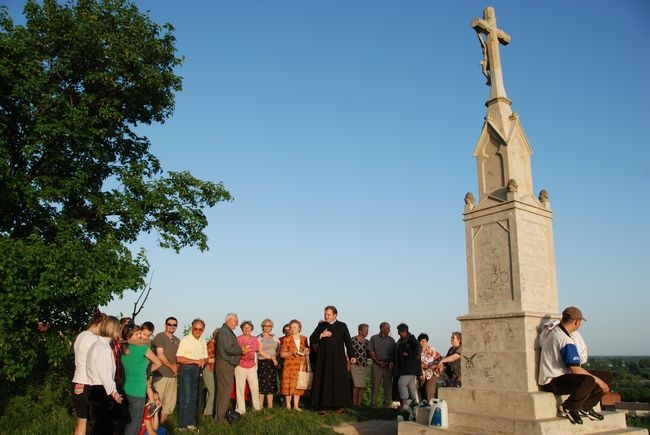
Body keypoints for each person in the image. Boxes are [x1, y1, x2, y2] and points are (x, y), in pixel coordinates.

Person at [538, 307, 612, 425]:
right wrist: (600, 382)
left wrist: (601, 380)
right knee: (589, 380)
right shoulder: (564, 339)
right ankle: (569, 407)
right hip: (552, 381)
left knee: (606, 376)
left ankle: (585, 406)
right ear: (577, 321)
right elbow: (575, 369)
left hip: (561, 377)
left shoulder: (558, 332)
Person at [309, 305, 357, 411]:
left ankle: (338, 406)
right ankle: (322, 406)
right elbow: (312, 338)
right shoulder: (321, 326)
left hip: (337, 359)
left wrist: (352, 355)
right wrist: (321, 335)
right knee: (323, 380)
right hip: (323, 359)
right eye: (325, 314)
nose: (326, 316)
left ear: (335, 315)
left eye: (328, 314)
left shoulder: (342, 326)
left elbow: (348, 342)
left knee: (337, 380)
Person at [121, 324, 162, 435]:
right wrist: (146, 373)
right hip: (138, 390)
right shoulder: (142, 348)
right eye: (137, 334)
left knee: (125, 422)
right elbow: (158, 363)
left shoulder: (122, 348)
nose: (140, 336)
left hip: (124, 387)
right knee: (134, 424)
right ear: (129, 336)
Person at [86, 316, 124, 434]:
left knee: (97, 428)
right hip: (102, 393)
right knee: (103, 428)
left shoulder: (97, 345)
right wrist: (115, 393)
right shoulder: (103, 348)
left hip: (95, 390)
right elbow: (105, 375)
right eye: (118, 328)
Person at [72, 309, 105, 435]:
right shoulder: (94, 339)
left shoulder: (81, 335)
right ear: (99, 324)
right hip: (88, 383)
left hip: (77, 381)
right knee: (86, 426)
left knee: (80, 422)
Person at [175, 318, 208, 431]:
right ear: (191, 328)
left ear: (203, 330)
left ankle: (190, 422)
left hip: (198, 371)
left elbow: (206, 357)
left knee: (194, 398)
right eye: (195, 328)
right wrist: (194, 361)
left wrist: (204, 361)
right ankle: (182, 425)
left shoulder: (203, 341)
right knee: (186, 398)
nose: (198, 331)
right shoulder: (185, 340)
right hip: (187, 370)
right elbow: (179, 358)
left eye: (200, 329)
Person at [152, 317, 180, 423]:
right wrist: (172, 366)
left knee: (169, 405)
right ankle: (151, 428)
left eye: (174, 325)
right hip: (161, 375)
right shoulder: (160, 337)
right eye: (170, 324)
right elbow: (160, 355)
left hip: (173, 376)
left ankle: (161, 426)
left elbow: (179, 357)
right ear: (165, 325)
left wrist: (177, 366)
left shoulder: (177, 340)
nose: (172, 326)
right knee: (156, 403)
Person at [214, 313, 241, 423]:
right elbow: (229, 348)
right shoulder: (225, 331)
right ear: (230, 320)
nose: (237, 323)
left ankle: (219, 416)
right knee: (225, 392)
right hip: (225, 364)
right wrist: (241, 349)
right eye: (236, 321)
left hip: (226, 364)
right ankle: (221, 418)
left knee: (223, 391)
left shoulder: (226, 331)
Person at [279, 319, 310, 411]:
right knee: (288, 386)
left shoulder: (304, 338)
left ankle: (296, 406)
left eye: (295, 327)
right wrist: (292, 353)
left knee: (298, 385)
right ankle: (288, 405)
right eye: (291, 327)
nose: (293, 329)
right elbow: (282, 354)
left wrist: (307, 351)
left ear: (299, 328)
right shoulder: (286, 339)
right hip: (289, 366)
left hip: (300, 365)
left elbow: (307, 349)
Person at [234, 320, 261, 414]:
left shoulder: (254, 338)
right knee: (240, 388)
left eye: (248, 327)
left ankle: (256, 407)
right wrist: (244, 349)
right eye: (244, 327)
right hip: (240, 366)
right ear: (242, 329)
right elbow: (237, 351)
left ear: (251, 329)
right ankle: (240, 409)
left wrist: (244, 349)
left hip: (251, 366)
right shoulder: (238, 339)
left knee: (255, 387)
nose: (246, 329)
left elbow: (255, 348)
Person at [368, 322, 396, 407]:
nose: (389, 330)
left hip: (388, 365)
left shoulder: (392, 340)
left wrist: (390, 362)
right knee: (375, 384)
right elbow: (371, 351)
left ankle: (387, 405)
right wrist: (378, 361)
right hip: (377, 364)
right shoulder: (374, 338)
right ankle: (373, 404)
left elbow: (393, 353)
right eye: (387, 328)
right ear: (382, 329)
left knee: (388, 386)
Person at [394, 323, 421, 409]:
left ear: (404, 331)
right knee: (412, 388)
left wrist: (408, 354)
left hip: (410, 368)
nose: (398, 333)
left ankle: (404, 405)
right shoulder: (401, 340)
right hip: (404, 367)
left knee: (401, 384)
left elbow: (417, 351)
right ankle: (416, 406)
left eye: (399, 332)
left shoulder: (412, 340)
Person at [257, 318, 280, 408]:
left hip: (273, 363)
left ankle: (270, 406)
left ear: (271, 327)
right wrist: (271, 357)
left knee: (271, 383)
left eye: (269, 326)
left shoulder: (275, 337)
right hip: (263, 362)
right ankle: (260, 405)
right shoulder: (259, 337)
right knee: (262, 383)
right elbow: (260, 351)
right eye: (265, 325)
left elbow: (279, 349)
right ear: (262, 327)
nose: (267, 327)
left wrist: (275, 356)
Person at [418, 333, 442, 402]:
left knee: (429, 390)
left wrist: (434, 366)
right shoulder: (416, 351)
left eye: (425, 341)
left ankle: (432, 407)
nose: (424, 343)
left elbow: (440, 359)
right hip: (421, 374)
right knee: (422, 393)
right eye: (422, 341)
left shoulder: (432, 350)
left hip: (433, 373)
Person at [350, 323, 370, 407]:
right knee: (355, 385)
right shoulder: (353, 340)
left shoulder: (368, 342)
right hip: (355, 365)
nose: (367, 332)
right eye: (365, 330)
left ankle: (359, 403)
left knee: (361, 386)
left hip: (363, 365)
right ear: (360, 331)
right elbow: (349, 352)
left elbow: (369, 354)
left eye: (367, 331)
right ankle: (354, 403)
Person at [202, 332, 216, 416]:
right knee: (213, 391)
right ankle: (208, 412)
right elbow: (208, 359)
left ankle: (208, 409)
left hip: (211, 369)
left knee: (210, 391)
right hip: (208, 369)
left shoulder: (215, 344)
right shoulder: (211, 345)